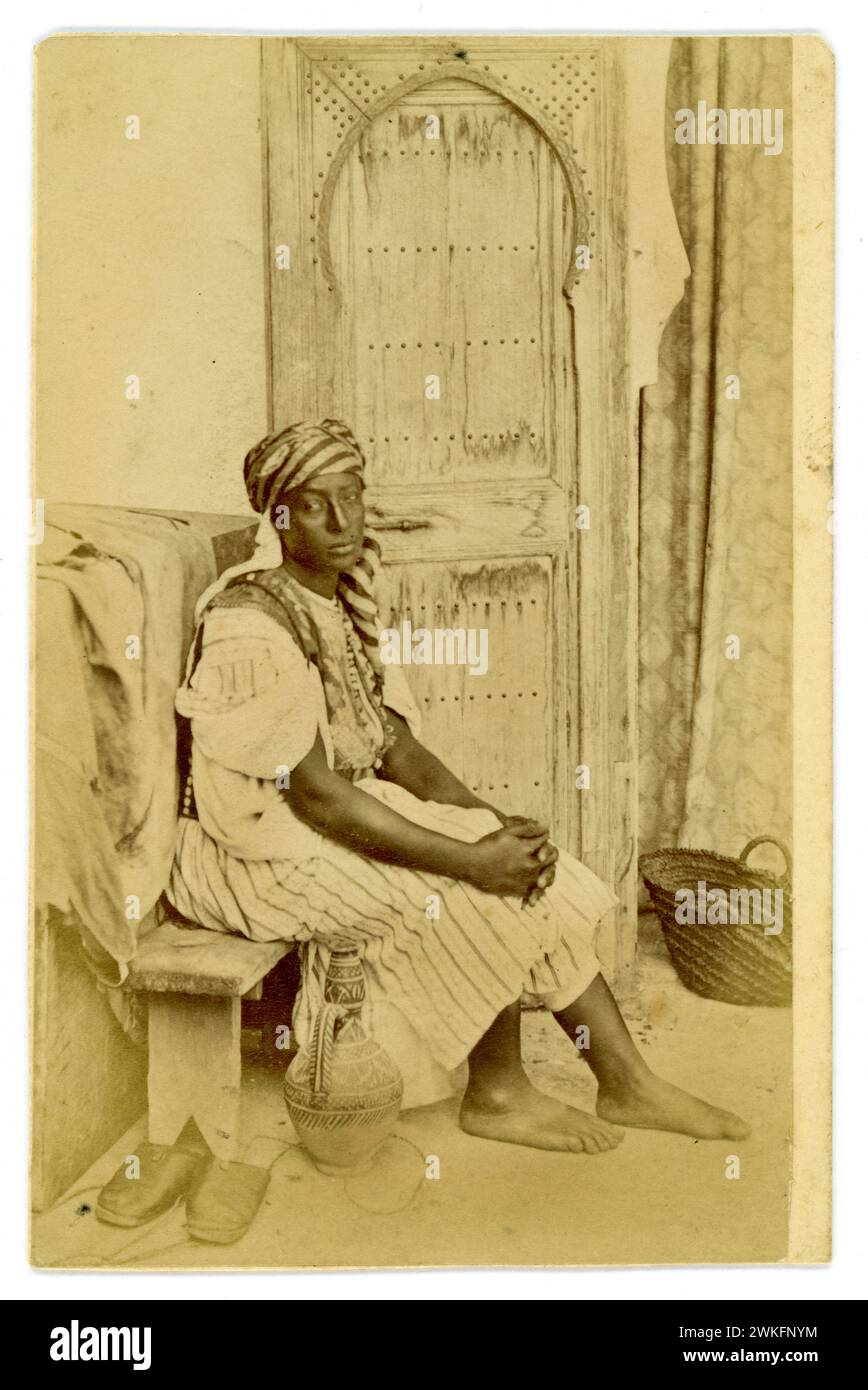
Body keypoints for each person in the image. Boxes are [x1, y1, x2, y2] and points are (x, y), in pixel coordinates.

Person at [168, 419, 750, 1157]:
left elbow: (395, 746)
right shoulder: (250, 623)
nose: (344, 521)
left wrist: (491, 826)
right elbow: (312, 794)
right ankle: (499, 1092)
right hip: (247, 850)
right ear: (278, 515)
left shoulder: (339, 601)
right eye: (316, 504)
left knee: (534, 872)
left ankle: (627, 1079)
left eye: (353, 496)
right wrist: (472, 861)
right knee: (474, 890)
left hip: (319, 823)